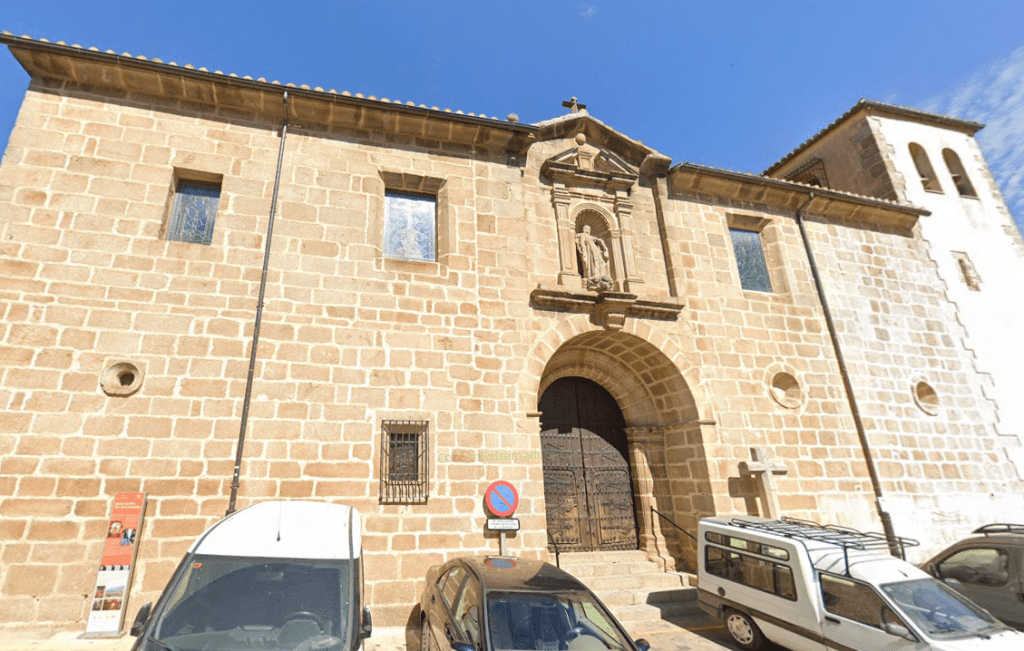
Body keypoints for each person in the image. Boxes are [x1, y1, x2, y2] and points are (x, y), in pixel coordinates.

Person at [575, 225, 612, 291]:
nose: (588, 230)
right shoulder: (583, 235)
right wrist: (583, 251)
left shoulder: (591, 237)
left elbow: (599, 241)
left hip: (595, 250)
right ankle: (591, 274)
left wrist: (599, 241)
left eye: (589, 229)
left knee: (598, 261)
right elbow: (581, 243)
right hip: (589, 250)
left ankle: (598, 273)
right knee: (591, 262)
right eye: (586, 228)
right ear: (583, 229)